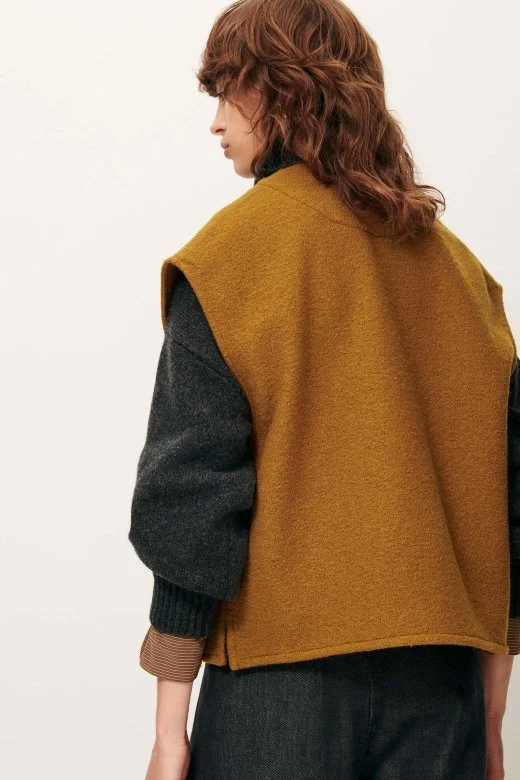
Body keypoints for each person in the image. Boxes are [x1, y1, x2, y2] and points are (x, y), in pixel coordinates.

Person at [128, 1, 520, 778]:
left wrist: (170, 729)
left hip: (280, 689)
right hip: (443, 688)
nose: (216, 122)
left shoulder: (229, 258)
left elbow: (192, 499)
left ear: (279, 91)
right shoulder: (465, 278)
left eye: (227, 92)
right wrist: (490, 715)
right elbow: (506, 502)